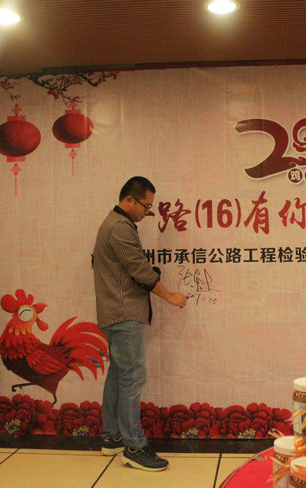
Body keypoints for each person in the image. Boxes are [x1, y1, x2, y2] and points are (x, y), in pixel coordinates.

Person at [93, 176, 187, 471]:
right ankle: (134, 446)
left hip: (115, 313)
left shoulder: (114, 224)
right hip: (124, 314)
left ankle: (112, 437)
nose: (148, 212)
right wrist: (170, 296)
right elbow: (140, 271)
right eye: (146, 206)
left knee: (119, 375)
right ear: (129, 200)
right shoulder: (120, 227)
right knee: (132, 378)